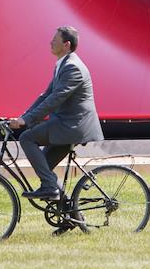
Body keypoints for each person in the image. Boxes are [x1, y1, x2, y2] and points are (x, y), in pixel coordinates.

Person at [9, 26, 103, 201]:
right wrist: (23, 117)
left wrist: (27, 120)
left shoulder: (73, 67)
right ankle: (70, 212)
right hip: (66, 124)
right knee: (44, 167)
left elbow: (55, 99)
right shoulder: (63, 65)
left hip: (73, 125)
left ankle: (51, 189)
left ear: (66, 45)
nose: (50, 42)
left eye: (55, 40)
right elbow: (46, 95)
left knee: (26, 138)